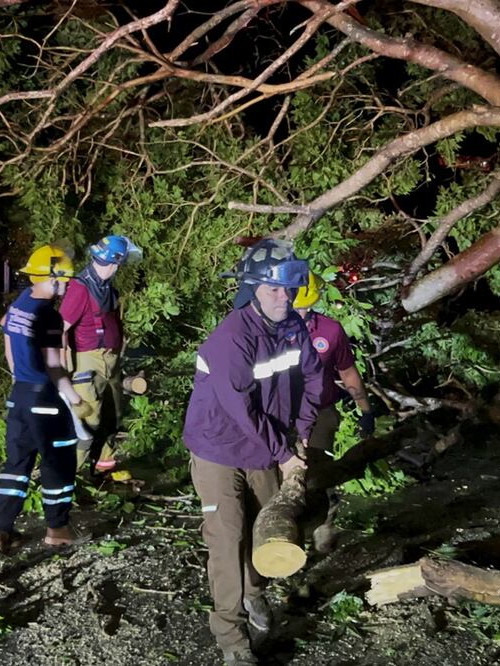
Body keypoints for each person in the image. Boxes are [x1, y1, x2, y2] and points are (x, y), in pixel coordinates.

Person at [182, 239, 325, 666]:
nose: (283, 298)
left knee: (265, 532)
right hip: (219, 451)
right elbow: (241, 410)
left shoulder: (295, 329)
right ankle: (232, 639)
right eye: (272, 290)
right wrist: (285, 453)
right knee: (227, 540)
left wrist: (300, 434)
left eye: (288, 289)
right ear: (251, 289)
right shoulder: (231, 338)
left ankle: (254, 594)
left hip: (266, 448)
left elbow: (312, 383)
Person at [0, 244, 92, 553]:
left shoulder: (20, 303)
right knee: (57, 463)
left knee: (16, 465)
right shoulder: (49, 316)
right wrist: (74, 398)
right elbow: (54, 365)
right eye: (66, 279)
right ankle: (58, 529)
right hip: (44, 399)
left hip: (18, 396)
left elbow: (7, 337)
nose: (69, 285)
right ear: (53, 277)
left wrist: (18, 377)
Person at [293, 273, 375, 554]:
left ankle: (322, 536)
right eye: (295, 306)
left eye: (305, 305)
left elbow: (348, 372)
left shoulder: (329, 330)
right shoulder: (268, 330)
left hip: (320, 413)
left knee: (315, 478)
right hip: (281, 415)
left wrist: (365, 411)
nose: (300, 312)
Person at [59, 234, 142, 476]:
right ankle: (68, 475)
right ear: (114, 262)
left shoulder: (107, 287)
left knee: (112, 414)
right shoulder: (80, 289)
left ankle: (105, 464)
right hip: (87, 359)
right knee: (88, 418)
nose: (118, 269)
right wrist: (61, 367)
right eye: (119, 264)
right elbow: (61, 328)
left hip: (111, 358)